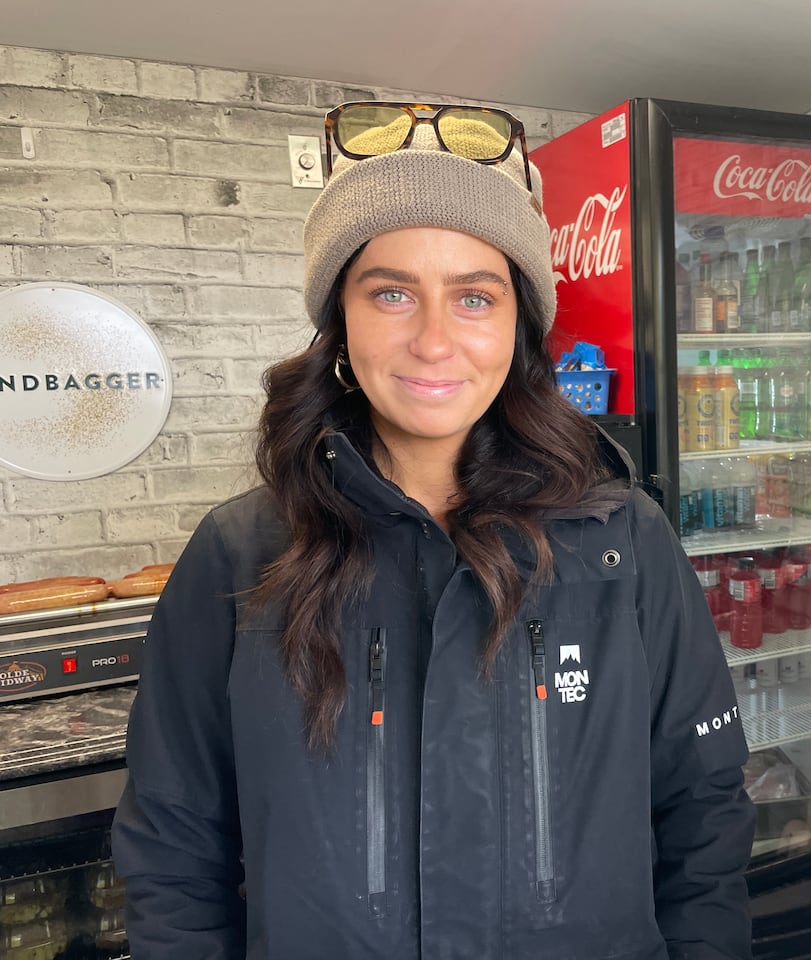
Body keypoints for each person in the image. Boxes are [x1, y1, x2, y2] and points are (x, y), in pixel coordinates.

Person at [112, 101, 755, 960]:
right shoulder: (239, 556)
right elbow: (173, 845)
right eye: (391, 293)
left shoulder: (624, 542)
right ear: (339, 323)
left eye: (475, 297)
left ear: (520, 326)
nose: (434, 340)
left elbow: (703, 808)